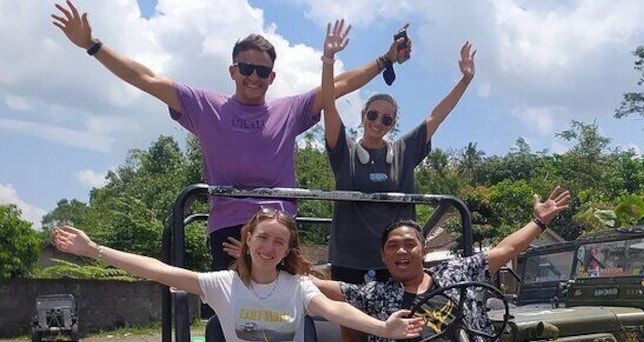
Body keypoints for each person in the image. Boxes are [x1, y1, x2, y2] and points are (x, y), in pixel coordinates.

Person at [51, 2, 408, 271]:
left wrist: (385, 59)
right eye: (247, 68)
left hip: (281, 225)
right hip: (231, 227)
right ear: (233, 70)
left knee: (294, 307)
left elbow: (340, 85)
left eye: (262, 71)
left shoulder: (289, 109)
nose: (254, 76)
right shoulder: (206, 105)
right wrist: (93, 45)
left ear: (272, 76)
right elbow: (147, 79)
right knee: (239, 310)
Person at [53, 209, 423, 342]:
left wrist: (383, 328)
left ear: (287, 250)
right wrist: (95, 249)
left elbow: (334, 309)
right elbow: (156, 270)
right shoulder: (221, 285)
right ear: (248, 239)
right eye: (263, 237)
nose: (269, 247)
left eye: (279, 242)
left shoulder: (296, 285)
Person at [320, 20, 475, 342]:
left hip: (394, 258)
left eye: (387, 119)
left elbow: (436, 116)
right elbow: (328, 104)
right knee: (351, 328)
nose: (379, 122)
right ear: (363, 114)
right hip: (351, 258)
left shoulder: (403, 151)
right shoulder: (344, 151)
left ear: (393, 123)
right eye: (373, 115)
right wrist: (329, 61)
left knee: (404, 323)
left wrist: (465, 80)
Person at [313, 187, 571, 342]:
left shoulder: (456, 273)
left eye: (409, 245)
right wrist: (278, 264)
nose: (401, 251)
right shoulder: (374, 295)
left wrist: (538, 222)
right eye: (393, 246)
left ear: (423, 250)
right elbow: (323, 287)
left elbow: (505, 251)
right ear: (383, 255)